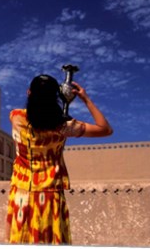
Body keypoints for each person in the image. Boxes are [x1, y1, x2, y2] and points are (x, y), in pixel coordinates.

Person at [6, 74, 113, 244]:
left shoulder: (16, 117)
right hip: (50, 196)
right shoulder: (64, 126)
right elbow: (105, 129)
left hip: (21, 193)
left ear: (29, 93)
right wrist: (85, 99)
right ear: (56, 97)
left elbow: (36, 115)